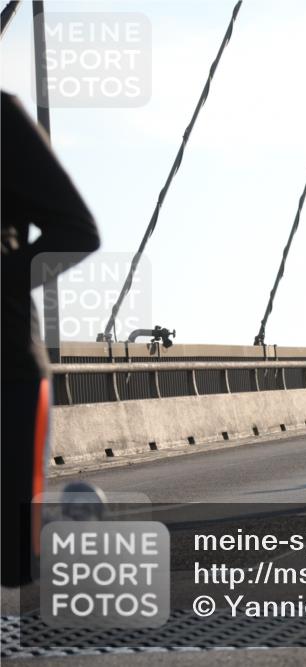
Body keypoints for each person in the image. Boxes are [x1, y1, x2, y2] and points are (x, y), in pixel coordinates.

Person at [2, 91, 101, 586]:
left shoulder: (1, 118)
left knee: (15, 563)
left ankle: (64, 532)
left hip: (7, 375)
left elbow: (77, 231)